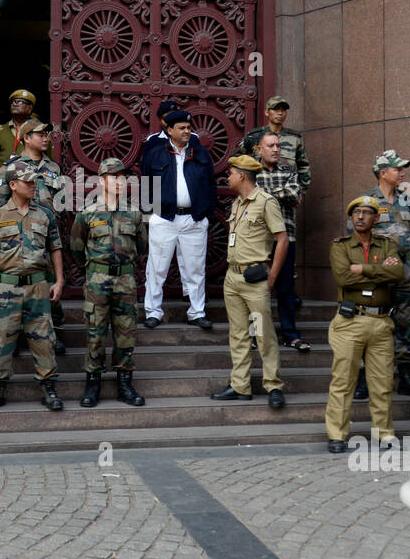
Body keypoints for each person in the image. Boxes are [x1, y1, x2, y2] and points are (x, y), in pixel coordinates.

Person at [0, 163, 65, 411]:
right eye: (27, 181)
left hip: (38, 286)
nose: (33, 185)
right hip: (6, 286)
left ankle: (48, 387)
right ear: (12, 185)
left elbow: (55, 248)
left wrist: (59, 281)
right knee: (1, 338)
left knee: (44, 339)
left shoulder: (44, 214)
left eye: (34, 181)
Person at [325, 196, 404, 452]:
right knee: (343, 381)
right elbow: (344, 278)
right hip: (351, 321)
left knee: (382, 382)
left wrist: (363, 269)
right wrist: (378, 270)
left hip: (381, 322)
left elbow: (397, 273)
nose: (360, 217)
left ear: (376, 218)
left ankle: (384, 433)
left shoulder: (388, 244)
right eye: (356, 212)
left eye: (366, 213)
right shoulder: (340, 245)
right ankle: (337, 435)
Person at [210, 155, 288, 407]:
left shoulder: (266, 202)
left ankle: (273, 385)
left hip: (255, 278)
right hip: (232, 277)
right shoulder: (237, 204)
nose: (228, 177)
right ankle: (240, 385)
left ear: (242, 175)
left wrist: (272, 277)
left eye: (231, 173)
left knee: (263, 333)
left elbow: (282, 239)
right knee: (239, 334)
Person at [69, 158, 148, 407]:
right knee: (96, 333)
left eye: (123, 177)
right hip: (97, 280)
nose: (119, 181)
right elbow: (76, 248)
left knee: (126, 334)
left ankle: (125, 383)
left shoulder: (133, 212)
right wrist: (95, 269)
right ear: (102, 180)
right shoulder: (88, 213)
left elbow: (142, 246)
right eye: (114, 176)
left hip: (125, 280)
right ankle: (93, 383)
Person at [0, 119, 69, 354]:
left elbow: (61, 202)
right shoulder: (10, 167)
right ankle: (10, 337)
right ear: (26, 138)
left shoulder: (53, 168)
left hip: (43, 233)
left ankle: (50, 333)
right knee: (12, 286)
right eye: (39, 134)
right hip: (15, 236)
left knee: (44, 285)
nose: (45, 137)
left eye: (46, 134)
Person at [353, 150, 410, 400]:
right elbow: (357, 238)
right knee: (370, 324)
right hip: (377, 273)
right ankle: (363, 377)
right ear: (383, 173)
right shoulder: (366, 202)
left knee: (405, 324)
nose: (402, 173)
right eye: (397, 169)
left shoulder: (405, 200)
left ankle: (405, 375)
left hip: (403, 272)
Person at [139, 108, 216, 330]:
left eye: (189, 128)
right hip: (164, 218)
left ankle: (197, 312)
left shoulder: (200, 152)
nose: (187, 131)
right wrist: (150, 214)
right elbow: (146, 183)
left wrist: (206, 216)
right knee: (157, 267)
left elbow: (210, 184)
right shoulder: (156, 152)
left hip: (194, 219)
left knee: (195, 269)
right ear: (169, 130)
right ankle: (153, 312)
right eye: (181, 128)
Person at [254, 130, 308, 351]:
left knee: (286, 289)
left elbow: (295, 195)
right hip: (257, 240)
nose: (276, 149)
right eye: (271, 145)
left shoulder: (289, 171)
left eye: (277, 145)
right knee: (255, 290)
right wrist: (280, 193)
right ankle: (255, 335)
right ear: (259, 149)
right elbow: (248, 198)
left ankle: (290, 334)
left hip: (286, 237)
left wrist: (265, 195)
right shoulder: (250, 172)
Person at [237, 95, 312, 198]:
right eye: (276, 109)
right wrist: (244, 186)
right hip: (259, 194)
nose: (280, 113)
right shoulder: (254, 137)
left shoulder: (294, 138)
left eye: (283, 110)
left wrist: (301, 192)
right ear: (267, 112)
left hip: (286, 196)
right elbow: (237, 159)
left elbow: (303, 166)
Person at [0, 89, 39, 215]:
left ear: (30, 108)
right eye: (13, 102)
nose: (15, 104)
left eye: (20, 102)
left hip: (30, 189)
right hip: (1, 191)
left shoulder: (39, 134)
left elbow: (49, 164)